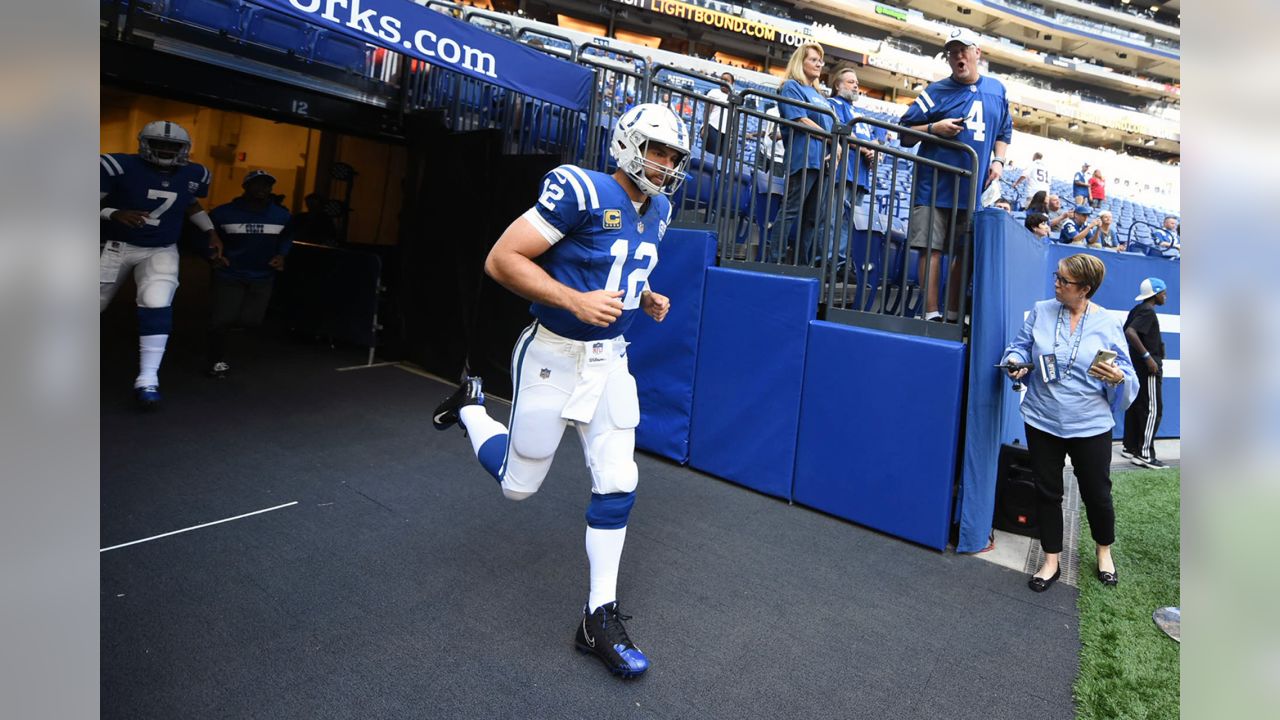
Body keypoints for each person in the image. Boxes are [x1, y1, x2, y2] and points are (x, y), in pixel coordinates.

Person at [430, 103, 691, 680]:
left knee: (620, 479)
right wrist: (574, 301)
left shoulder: (662, 207)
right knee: (518, 487)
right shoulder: (580, 189)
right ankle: (472, 407)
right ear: (626, 145)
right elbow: (502, 259)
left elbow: (622, 266)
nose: (666, 164)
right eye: (656, 149)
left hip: (610, 361)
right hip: (552, 354)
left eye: (673, 155)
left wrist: (641, 295)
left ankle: (597, 617)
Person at [1003, 254, 1138, 592]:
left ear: (1085, 289)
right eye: (1057, 277)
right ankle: (1051, 560)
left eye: (1064, 281)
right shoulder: (1042, 310)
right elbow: (1019, 347)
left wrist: (1118, 375)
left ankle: (1104, 551)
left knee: (1097, 494)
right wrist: (1016, 362)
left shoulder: (1107, 323)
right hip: (1042, 419)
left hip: (1091, 424)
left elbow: (1126, 372)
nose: (1057, 284)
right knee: (1048, 493)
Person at [100, 120, 223, 409]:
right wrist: (114, 212)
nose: (166, 150)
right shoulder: (118, 165)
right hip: (116, 246)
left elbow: (189, 202)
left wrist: (210, 231)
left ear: (184, 149)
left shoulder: (193, 173)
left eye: (173, 146)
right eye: (160, 144)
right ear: (144, 143)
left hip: (161, 248)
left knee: (157, 303)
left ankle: (148, 379)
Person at [899, 27, 1012, 322]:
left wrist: (998, 161)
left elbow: (1004, 131)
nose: (958, 55)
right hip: (934, 184)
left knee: (965, 252)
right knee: (931, 249)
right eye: (952, 51)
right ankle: (930, 313)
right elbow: (904, 133)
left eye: (964, 49)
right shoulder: (935, 91)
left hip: (972, 188)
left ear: (978, 54)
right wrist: (934, 129)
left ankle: (951, 313)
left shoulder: (997, 90)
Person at [205, 170, 293, 379]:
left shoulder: (281, 215)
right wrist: (211, 256)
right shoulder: (222, 213)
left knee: (252, 320)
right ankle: (216, 360)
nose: (263, 189)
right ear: (245, 187)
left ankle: (231, 343)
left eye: (267, 185)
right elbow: (205, 237)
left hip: (262, 276)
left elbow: (287, 237)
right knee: (222, 320)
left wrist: (282, 255)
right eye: (257, 184)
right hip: (230, 274)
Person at [772, 43, 834, 266]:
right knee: (791, 210)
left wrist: (834, 147)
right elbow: (800, 119)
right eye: (814, 60)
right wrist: (830, 139)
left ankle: (801, 264)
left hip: (823, 162)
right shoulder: (791, 86)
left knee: (813, 218)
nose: (819, 64)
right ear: (801, 62)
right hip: (803, 157)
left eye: (821, 61)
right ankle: (775, 261)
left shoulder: (819, 95)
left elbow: (832, 128)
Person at [826, 65, 878, 267]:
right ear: (838, 85)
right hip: (842, 171)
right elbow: (842, 130)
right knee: (834, 219)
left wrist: (874, 153)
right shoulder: (833, 103)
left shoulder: (860, 114)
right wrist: (867, 149)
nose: (856, 86)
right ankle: (828, 261)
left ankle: (840, 263)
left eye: (857, 83)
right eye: (851, 82)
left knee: (849, 223)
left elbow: (872, 141)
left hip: (861, 175)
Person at [1122, 277, 1170, 469]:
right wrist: (1148, 357)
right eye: (1163, 292)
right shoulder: (1148, 311)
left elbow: (1127, 329)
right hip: (1148, 367)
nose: (1165, 296)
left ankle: (1130, 447)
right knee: (1153, 409)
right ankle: (1144, 455)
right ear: (1155, 294)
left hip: (1139, 367)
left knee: (1137, 405)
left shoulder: (1138, 309)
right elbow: (1130, 333)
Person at [701, 72, 734, 156]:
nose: (723, 82)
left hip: (726, 132)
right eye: (722, 79)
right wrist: (704, 127)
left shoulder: (734, 97)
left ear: (732, 83)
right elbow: (707, 111)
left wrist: (730, 136)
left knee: (722, 158)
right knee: (711, 155)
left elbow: (732, 118)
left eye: (726, 80)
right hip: (713, 127)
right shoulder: (714, 92)